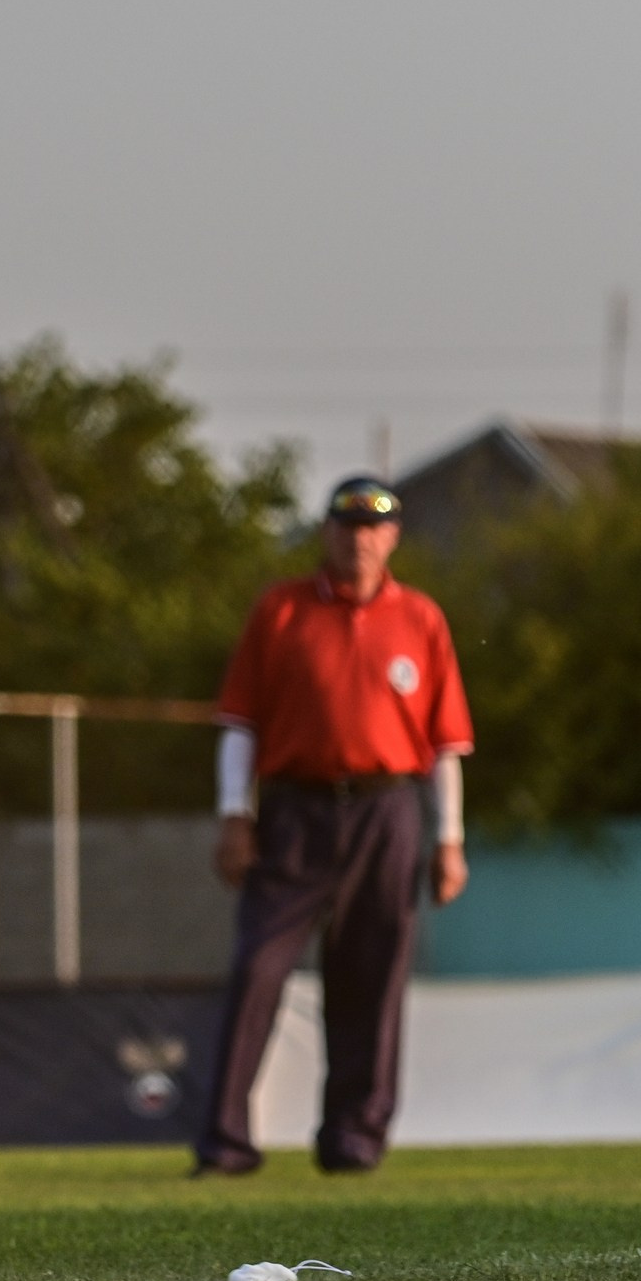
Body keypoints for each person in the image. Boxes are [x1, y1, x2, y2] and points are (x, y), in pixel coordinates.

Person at [193, 475, 473, 1176]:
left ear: (394, 536)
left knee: (371, 980)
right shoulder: (282, 611)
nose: (360, 539)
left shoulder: (421, 619)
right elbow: (239, 724)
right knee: (258, 967)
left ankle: (354, 1138)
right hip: (295, 811)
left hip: (386, 810)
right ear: (328, 532)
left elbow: (445, 745)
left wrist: (449, 840)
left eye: (374, 526)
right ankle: (226, 1142)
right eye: (348, 526)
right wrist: (235, 815)